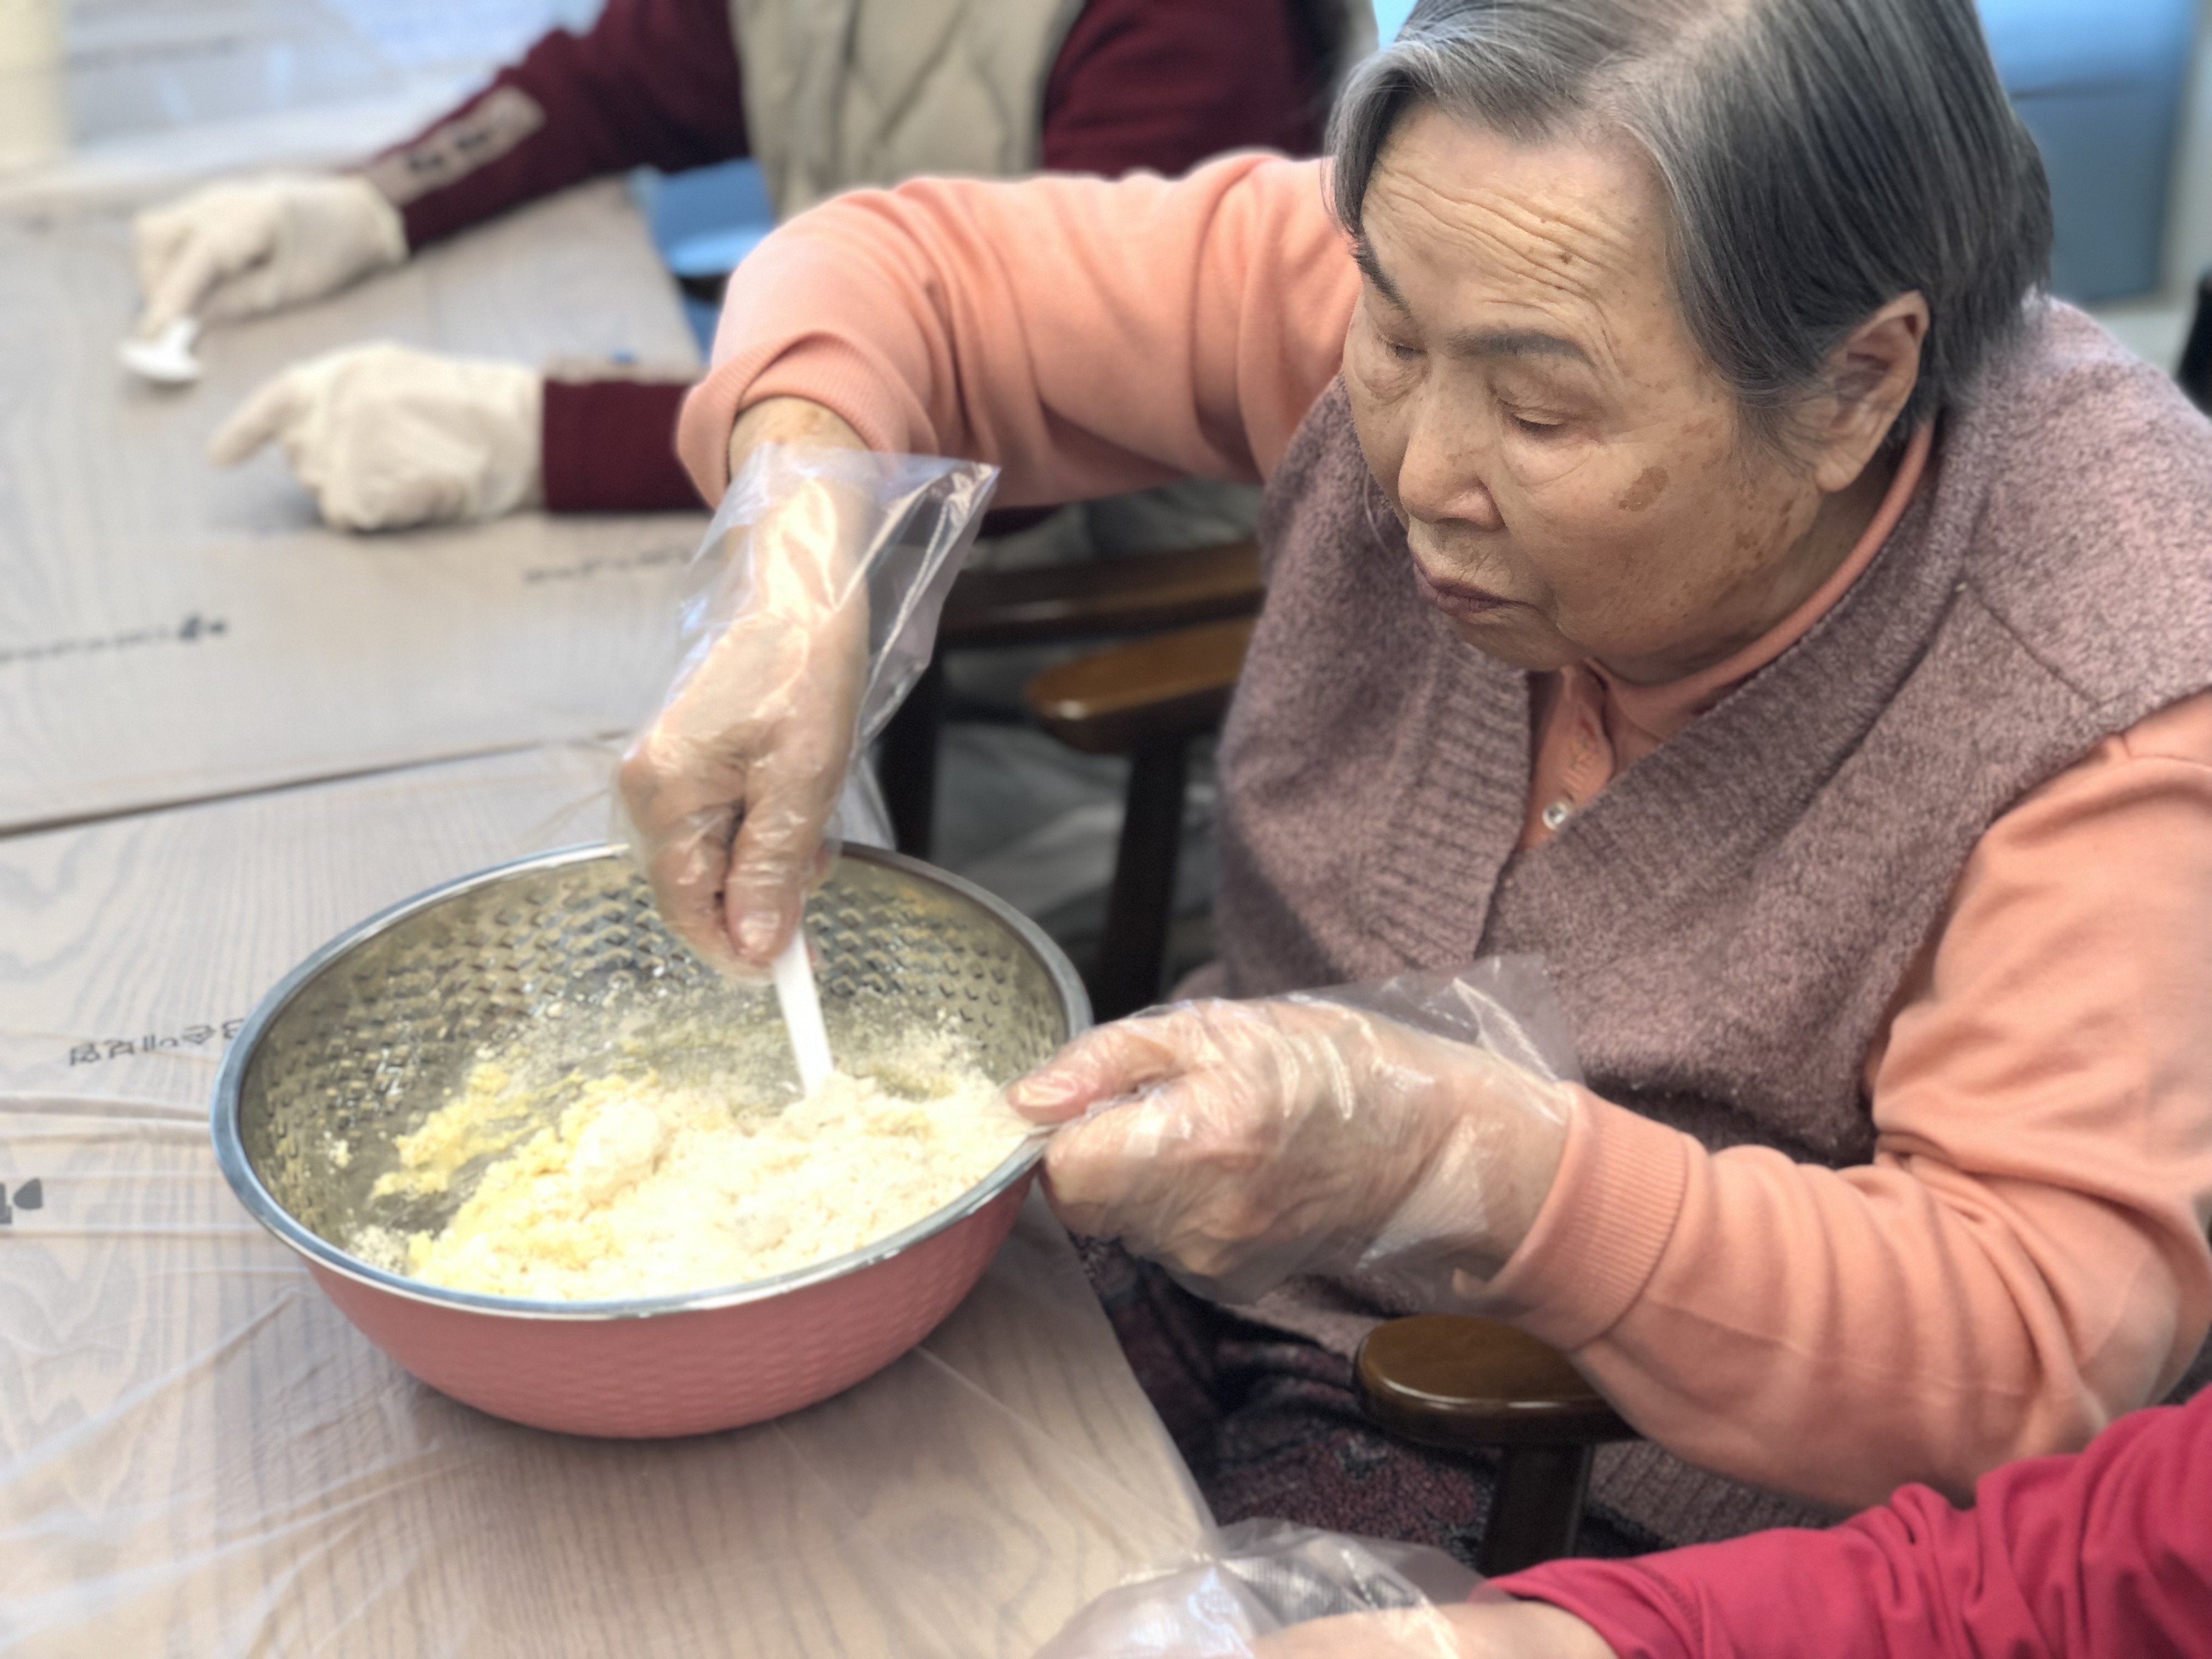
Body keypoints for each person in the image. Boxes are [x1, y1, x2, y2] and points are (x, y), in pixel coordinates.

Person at [623, 0, 2212, 1558]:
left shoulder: (2112, 670)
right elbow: (901, 271)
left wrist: (1461, 1165)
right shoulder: (1484, 252)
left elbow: (2026, 1341)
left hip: (1600, 1470)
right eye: (1387, 341)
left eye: (1540, 411)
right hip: (1215, 1243)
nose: (1417, 477)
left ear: (1857, 385)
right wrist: (797, 573)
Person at [131, 0, 1362, 531]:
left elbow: (1000, 450)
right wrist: (371, 201)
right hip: (853, 520)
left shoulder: (1191, 27)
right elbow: (617, 84)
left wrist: (537, 440)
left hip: (1043, 649)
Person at [1254, 1381, 2212, 1658]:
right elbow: (2015, 1597)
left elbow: (2018, 1364)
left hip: (1634, 1463)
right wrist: (1585, 1640)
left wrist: (1476, 1163)